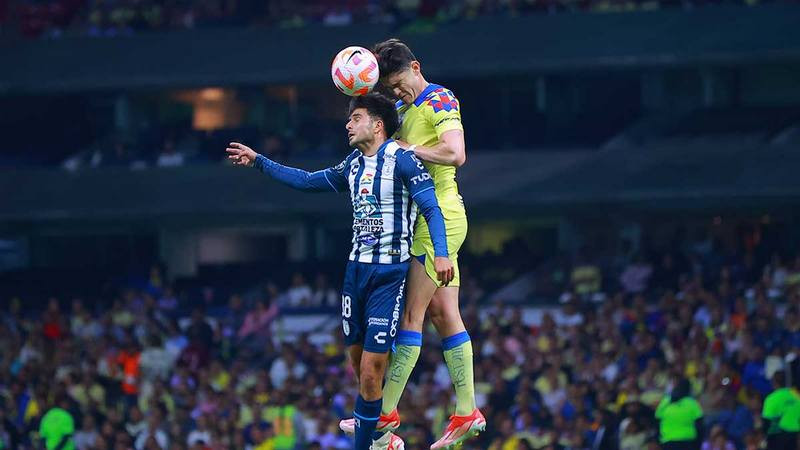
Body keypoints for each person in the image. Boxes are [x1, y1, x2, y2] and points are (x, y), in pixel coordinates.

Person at [225, 92, 454, 450]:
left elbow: (432, 209)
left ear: (377, 125)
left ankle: (370, 444)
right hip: (355, 274)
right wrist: (259, 161)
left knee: (370, 371)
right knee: (358, 366)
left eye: (356, 118)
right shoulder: (353, 165)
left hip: (388, 275)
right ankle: (381, 436)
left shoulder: (405, 161)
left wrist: (442, 254)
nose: (348, 124)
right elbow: (305, 180)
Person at [339, 38, 484, 450]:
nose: (398, 92)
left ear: (416, 67)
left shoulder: (439, 99)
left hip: (439, 218)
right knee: (444, 313)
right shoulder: (402, 109)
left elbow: (456, 153)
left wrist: (410, 149)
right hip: (425, 220)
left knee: (410, 315)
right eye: (392, 87)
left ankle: (384, 413)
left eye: (400, 82)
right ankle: (466, 410)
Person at [655, 378, 704, 450]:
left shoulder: (665, 402)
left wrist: (659, 440)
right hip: (687, 442)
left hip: (668, 442)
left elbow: (657, 420)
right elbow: (700, 425)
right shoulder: (692, 403)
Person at [761, 371, 800, 450]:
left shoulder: (771, 399)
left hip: (780, 438)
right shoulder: (797, 395)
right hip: (797, 437)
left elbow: (767, 423)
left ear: (774, 382)